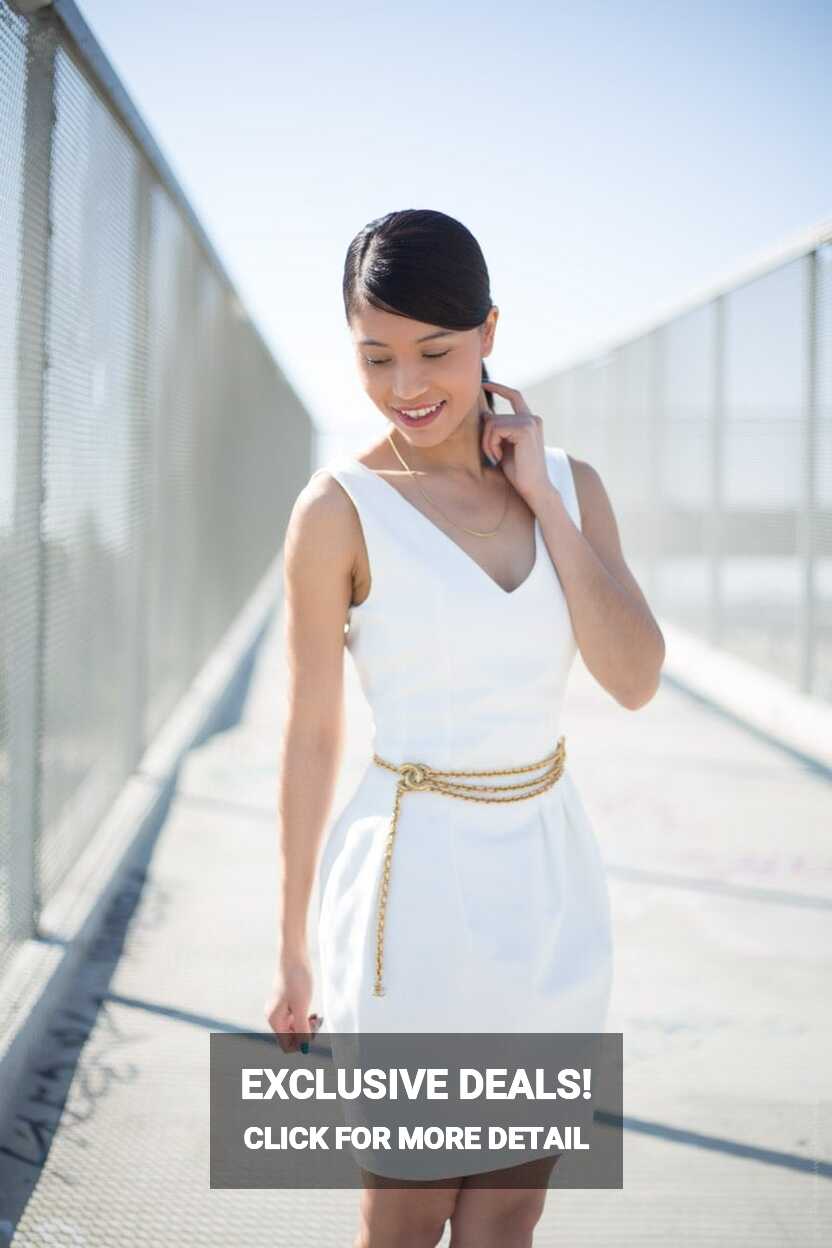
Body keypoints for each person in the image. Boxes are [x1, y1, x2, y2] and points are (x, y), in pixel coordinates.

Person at [264, 209, 665, 1246]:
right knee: (405, 1211)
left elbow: (632, 679)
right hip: (411, 886)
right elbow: (311, 733)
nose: (408, 385)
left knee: (507, 1217)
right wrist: (292, 947)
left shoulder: (571, 488)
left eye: (435, 352)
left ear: (489, 332)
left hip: (547, 876)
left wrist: (542, 497)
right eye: (376, 356)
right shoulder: (337, 508)